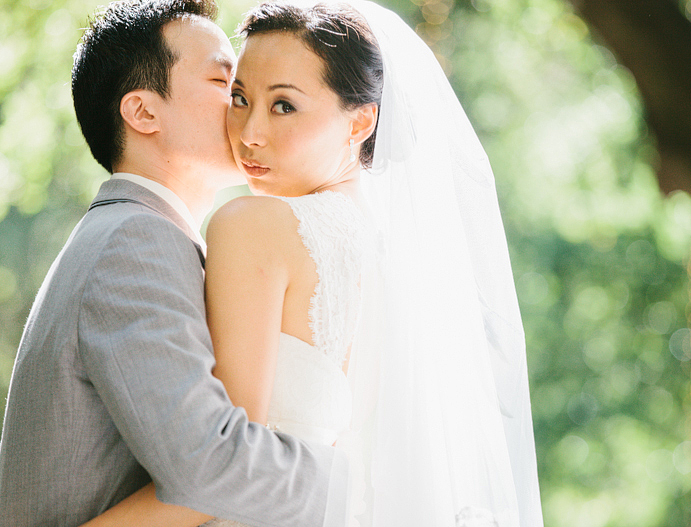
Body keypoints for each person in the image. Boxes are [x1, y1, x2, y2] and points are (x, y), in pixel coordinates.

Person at [83, 1, 544, 526]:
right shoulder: (405, 255)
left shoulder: (250, 225)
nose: (249, 132)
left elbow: (222, 475)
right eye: (238, 97)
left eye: (284, 106)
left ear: (361, 121)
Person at [0, 1, 349, 526]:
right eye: (225, 83)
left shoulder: (137, 233)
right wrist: (361, 481)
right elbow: (207, 462)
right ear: (143, 112)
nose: (244, 105)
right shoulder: (135, 243)